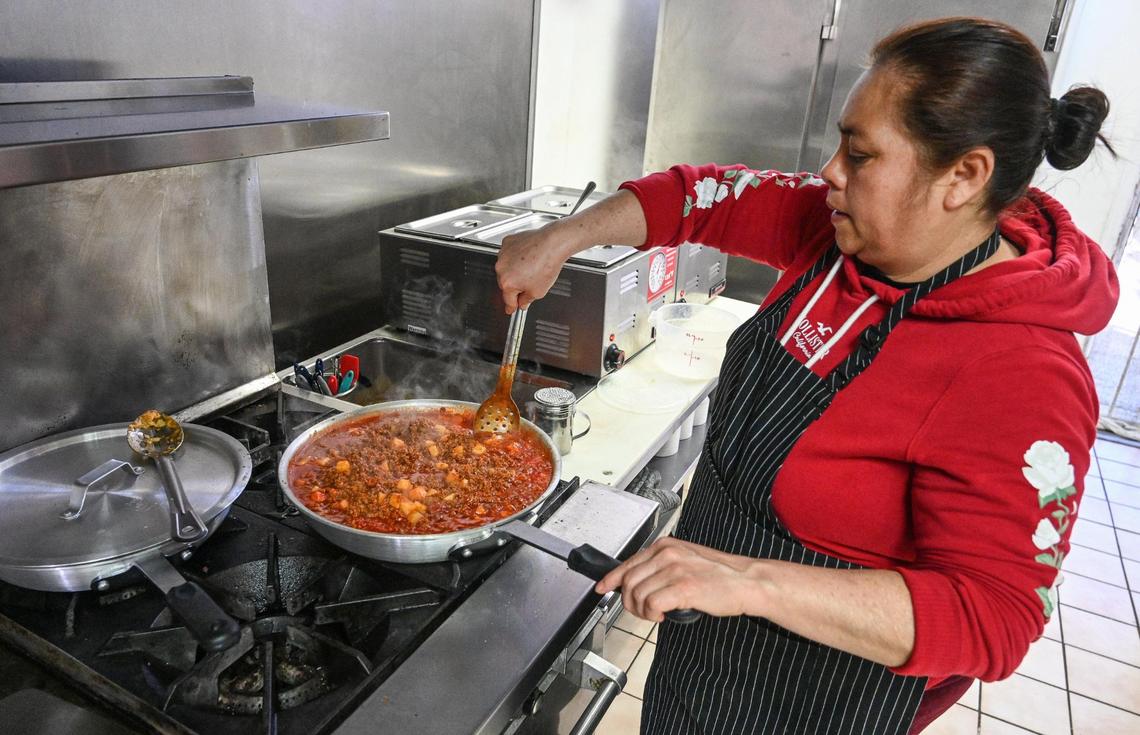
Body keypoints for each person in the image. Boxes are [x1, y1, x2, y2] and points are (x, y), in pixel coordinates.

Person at [495, 16, 1120, 735]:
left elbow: (995, 619)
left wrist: (749, 580)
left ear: (963, 176)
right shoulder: (842, 229)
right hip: (703, 645)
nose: (830, 171)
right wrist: (561, 237)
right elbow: (699, 194)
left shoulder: (1026, 373)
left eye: (861, 153)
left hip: (817, 698)